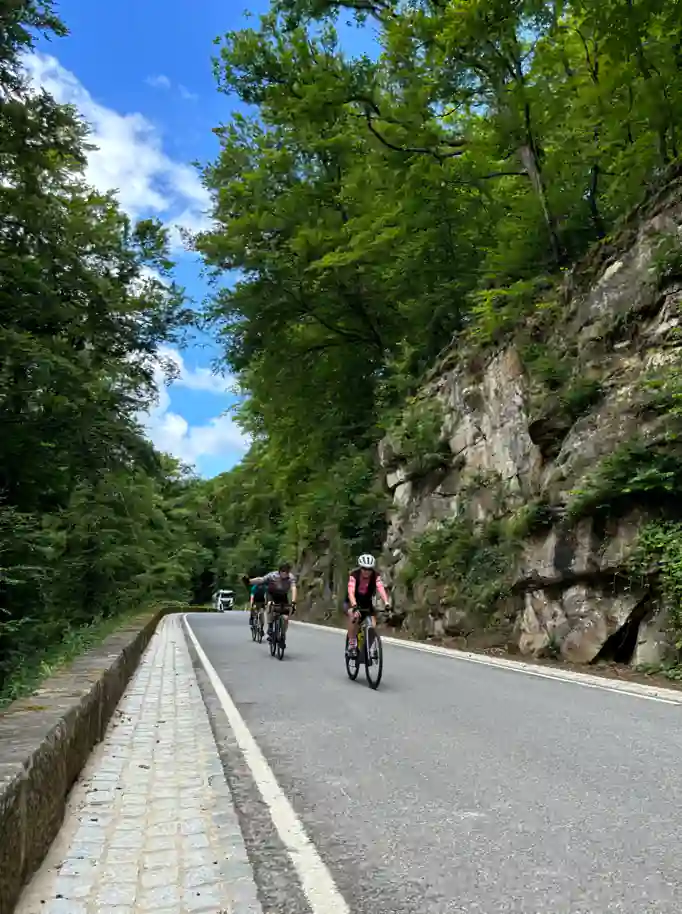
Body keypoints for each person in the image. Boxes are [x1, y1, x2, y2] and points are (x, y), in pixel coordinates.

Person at [346, 553, 390, 658]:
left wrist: (386, 602)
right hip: (352, 601)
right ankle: (352, 645)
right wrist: (354, 605)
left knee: (372, 626)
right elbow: (351, 591)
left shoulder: (375, 575)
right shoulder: (354, 575)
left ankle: (370, 648)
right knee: (354, 617)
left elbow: (381, 588)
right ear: (360, 568)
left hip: (367, 603)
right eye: (364, 569)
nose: (367, 571)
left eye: (369, 569)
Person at [245, 562, 297, 645]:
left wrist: (293, 602)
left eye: (286, 572)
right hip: (271, 595)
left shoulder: (291, 577)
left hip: (282, 596)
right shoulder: (273, 575)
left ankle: (282, 635)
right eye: (283, 572)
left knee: (285, 618)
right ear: (279, 572)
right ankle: (270, 626)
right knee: (270, 604)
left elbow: (293, 588)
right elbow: (261, 579)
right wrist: (249, 581)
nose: (285, 574)